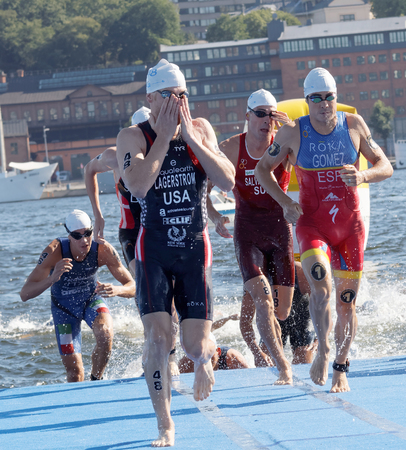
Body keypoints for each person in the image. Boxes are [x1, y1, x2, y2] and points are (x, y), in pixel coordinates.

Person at [116, 59, 235, 447]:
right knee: (157, 338)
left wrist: (192, 138)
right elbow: (137, 186)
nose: (175, 102)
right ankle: (164, 422)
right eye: (167, 95)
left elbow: (228, 181)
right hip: (154, 248)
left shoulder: (200, 128)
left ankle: (205, 360)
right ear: (150, 99)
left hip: (194, 248)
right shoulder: (132, 137)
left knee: (193, 345)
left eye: (182, 95)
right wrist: (165, 138)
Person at [255, 67, 393, 393]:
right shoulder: (292, 132)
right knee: (320, 285)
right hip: (312, 224)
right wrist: (284, 204)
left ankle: (340, 365)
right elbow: (263, 170)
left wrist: (362, 177)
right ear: (307, 101)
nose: (323, 103)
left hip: (350, 230)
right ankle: (323, 346)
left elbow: (384, 166)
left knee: (346, 303)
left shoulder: (354, 126)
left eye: (328, 97)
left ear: (335, 98)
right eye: (315, 98)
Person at [84, 107, 181, 378]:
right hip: (132, 231)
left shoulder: (164, 150)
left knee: (168, 294)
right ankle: (155, 351)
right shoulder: (115, 157)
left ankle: (167, 354)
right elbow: (89, 170)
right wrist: (98, 214)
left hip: (161, 228)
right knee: (147, 291)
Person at [208, 89, 295, 385]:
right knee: (263, 300)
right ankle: (282, 366)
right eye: (260, 113)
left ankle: (275, 352)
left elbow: (312, 157)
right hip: (248, 234)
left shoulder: (285, 145)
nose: (266, 120)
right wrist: (214, 215)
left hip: (280, 232)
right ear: (247, 116)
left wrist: (291, 127)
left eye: (271, 114)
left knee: (281, 312)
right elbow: (201, 189)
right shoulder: (232, 148)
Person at [20, 209, 135, 383]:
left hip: (91, 300)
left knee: (105, 334)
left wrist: (117, 290)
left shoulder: (102, 249)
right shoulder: (54, 251)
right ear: (69, 235)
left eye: (88, 233)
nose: (84, 240)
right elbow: (25, 294)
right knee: (75, 374)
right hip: (63, 310)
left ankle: (96, 381)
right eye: (77, 236)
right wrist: (52, 279)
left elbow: (133, 286)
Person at [240, 261, 318, 367]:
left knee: (303, 359)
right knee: (265, 363)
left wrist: (319, 340)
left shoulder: (299, 271)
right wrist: (257, 352)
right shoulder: (252, 278)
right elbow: (245, 323)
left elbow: (322, 308)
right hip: (274, 321)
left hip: (302, 318)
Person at [178, 314, 250, 372]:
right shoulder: (190, 359)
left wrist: (228, 318)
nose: (205, 359)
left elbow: (249, 376)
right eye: (202, 355)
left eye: (209, 355)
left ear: (218, 352)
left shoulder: (232, 358)